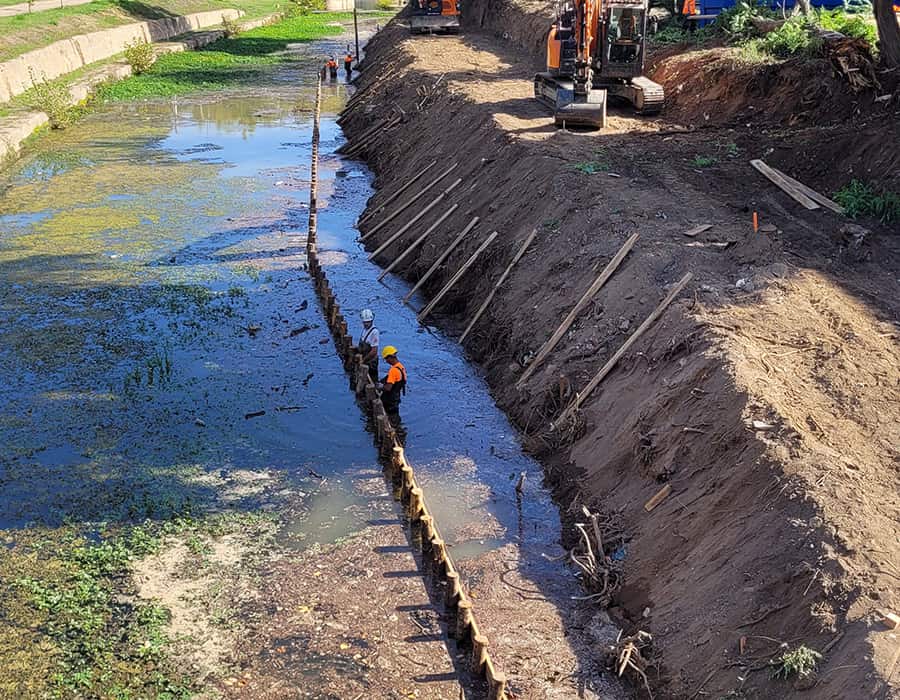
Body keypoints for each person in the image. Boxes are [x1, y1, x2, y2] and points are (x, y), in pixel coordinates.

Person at [379, 346, 407, 438]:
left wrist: (380, 387)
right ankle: (400, 433)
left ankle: (394, 438)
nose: (386, 361)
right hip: (396, 398)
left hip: (389, 400)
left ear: (391, 357)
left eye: (386, 359)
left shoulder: (393, 370)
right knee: (396, 418)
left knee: (390, 420)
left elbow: (388, 388)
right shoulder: (401, 367)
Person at [357, 309, 379, 381]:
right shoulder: (365, 330)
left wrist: (363, 360)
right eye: (365, 322)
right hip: (364, 359)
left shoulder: (374, 332)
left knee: (372, 380)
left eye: (368, 322)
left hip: (370, 362)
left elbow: (374, 351)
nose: (366, 324)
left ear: (372, 321)